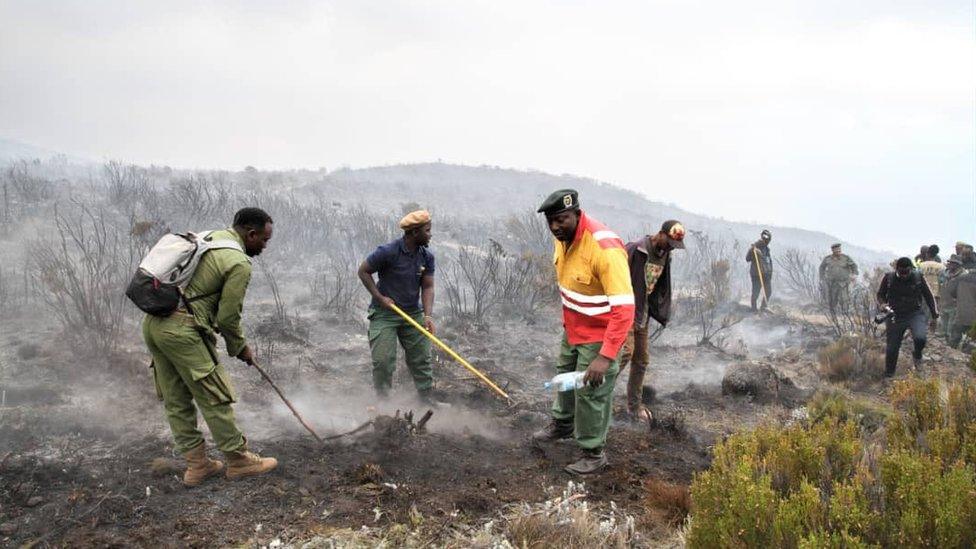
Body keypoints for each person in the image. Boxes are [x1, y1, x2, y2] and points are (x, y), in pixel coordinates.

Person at [142, 207, 278, 486]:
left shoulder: (210, 237)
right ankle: (238, 461)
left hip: (154, 325)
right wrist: (240, 348)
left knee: (176, 399)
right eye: (263, 240)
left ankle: (197, 466)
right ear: (251, 234)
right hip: (182, 330)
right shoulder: (239, 262)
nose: (264, 246)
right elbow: (228, 318)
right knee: (213, 395)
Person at [531, 189, 634, 475]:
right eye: (550, 221)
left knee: (590, 391)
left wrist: (605, 356)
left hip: (600, 334)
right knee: (564, 378)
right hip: (573, 328)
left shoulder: (605, 248)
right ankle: (563, 424)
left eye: (561, 219)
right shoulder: (562, 240)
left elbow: (625, 309)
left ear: (577, 214)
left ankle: (593, 452)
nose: (555, 227)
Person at [357, 210, 437, 402]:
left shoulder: (427, 257)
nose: (430, 234)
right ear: (414, 232)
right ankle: (383, 403)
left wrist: (427, 316)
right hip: (384, 313)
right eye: (427, 230)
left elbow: (427, 286)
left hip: (412, 312)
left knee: (422, 360)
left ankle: (427, 400)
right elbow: (363, 271)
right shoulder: (387, 251)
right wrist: (380, 297)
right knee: (383, 361)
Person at [618, 220, 684, 422]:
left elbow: (659, 286)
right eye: (669, 243)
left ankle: (634, 406)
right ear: (661, 234)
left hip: (642, 314)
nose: (670, 248)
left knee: (641, 360)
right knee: (624, 354)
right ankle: (597, 398)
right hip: (625, 311)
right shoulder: (635, 249)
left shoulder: (666, 256)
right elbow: (616, 278)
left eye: (674, 246)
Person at [877, 257, 938, 376]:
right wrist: (883, 304)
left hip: (915, 314)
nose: (904, 275)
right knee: (892, 349)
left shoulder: (918, 277)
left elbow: (929, 296)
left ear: (911, 269)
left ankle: (917, 355)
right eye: (901, 272)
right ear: (897, 270)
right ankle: (889, 375)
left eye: (906, 272)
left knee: (920, 338)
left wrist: (935, 316)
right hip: (895, 315)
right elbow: (880, 294)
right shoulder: (889, 278)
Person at [819, 244, 859, 314]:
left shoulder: (846, 258)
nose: (838, 251)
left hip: (843, 283)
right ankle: (832, 315)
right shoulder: (828, 259)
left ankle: (845, 315)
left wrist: (854, 274)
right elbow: (822, 267)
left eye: (839, 250)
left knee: (844, 299)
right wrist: (822, 278)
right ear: (833, 250)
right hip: (832, 283)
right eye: (836, 250)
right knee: (832, 300)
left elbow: (854, 266)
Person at [945, 262, 976, 348]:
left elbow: (951, 291)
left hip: (961, 313)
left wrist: (960, 297)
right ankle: (967, 355)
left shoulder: (960, 278)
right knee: (972, 340)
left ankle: (952, 355)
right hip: (974, 318)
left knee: (955, 337)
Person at [745, 229, 773, 312]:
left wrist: (770, 273)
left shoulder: (767, 249)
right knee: (756, 292)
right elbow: (747, 258)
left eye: (767, 237)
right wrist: (752, 250)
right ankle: (753, 309)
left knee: (768, 291)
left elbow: (768, 262)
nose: (766, 239)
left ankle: (763, 307)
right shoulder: (756, 247)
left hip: (766, 274)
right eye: (764, 237)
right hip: (757, 274)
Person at [939, 256, 965, 340]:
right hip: (944, 302)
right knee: (943, 323)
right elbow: (940, 284)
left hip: (956, 304)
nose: (950, 265)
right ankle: (944, 339)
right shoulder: (944, 273)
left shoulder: (963, 275)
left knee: (952, 325)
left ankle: (951, 341)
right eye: (950, 262)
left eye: (953, 263)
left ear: (958, 265)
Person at [918, 254, 946, 328]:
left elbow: (917, 278)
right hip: (936, 291)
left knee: (923, 310)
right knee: (934, 310)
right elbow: (943, 280)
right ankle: (932, 328)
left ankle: (923, 327)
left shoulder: (921, 265)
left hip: (923, 292)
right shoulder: (941, 267)